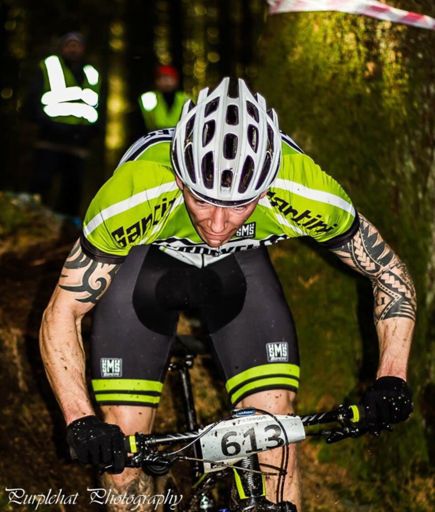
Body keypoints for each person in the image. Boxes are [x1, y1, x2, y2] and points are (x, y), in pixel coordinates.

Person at [40, 78, 415, 511]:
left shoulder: (305, 191)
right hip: (145, 267)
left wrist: (392, 377)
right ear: (179, 179)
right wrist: (80, 419)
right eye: (201, 200)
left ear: (266, 188)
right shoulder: (135, 192)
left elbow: (388, 271)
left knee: (276, 443)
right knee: (122, 458)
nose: (217, 225)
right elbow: (63, 311)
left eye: (238, 205)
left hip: (237, 271)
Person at [27, 32, 101, 220]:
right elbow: (33, 98)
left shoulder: (92, 73)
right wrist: (44, 124)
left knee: (73, 188)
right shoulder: (48, 66)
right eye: (69, 45)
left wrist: (90, 132)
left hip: (78, 143)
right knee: (42, 182)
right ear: (62, 48)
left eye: (77, 45)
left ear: (83, 49)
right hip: (49, 139)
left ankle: (67, 226)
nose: (73, 49)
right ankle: (34, 220)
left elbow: (99, 104)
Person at [138, 65, 189, 132]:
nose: (166, 81)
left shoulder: (185, 98)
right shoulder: (148, 97)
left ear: (176, 80)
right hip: (155, 135)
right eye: (162, 77)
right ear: (156, 81)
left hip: (179, 135)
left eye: (169, 77)